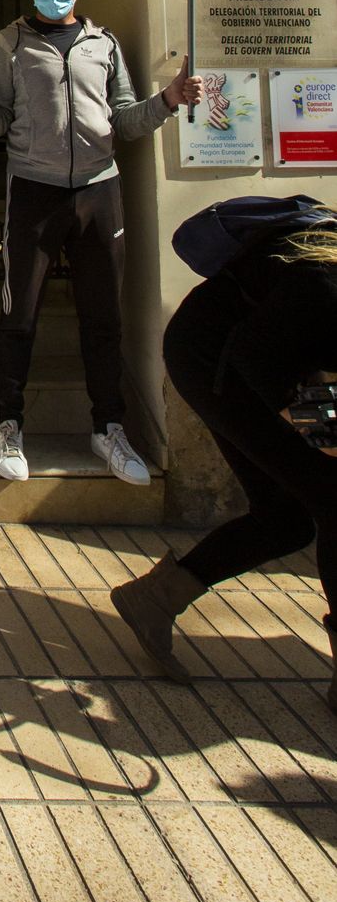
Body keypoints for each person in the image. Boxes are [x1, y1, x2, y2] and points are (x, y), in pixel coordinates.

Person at [0, 0, 202, 486]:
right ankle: (9, 424)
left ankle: (109, 427)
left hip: (99, 193)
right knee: (19, 317)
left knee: (104, 319)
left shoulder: (104, 45)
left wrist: (169, 100)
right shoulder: (10, 43)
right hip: (34, 189)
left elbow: (124, 120)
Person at [111, 218, 337, 702]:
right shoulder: (326, 282)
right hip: (215, 357)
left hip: (254, 356)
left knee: (287, 519)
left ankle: (155, 597)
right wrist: (324, 432)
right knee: (330, 499)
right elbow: (260, 356)